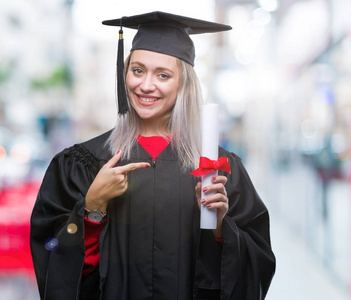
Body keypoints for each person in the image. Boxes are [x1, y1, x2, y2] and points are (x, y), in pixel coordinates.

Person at [30, 11, 275, 300]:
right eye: (137, 70)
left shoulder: (217, 168)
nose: (146, 85)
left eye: (163, 75)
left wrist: (222, 230)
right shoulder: (82, 163)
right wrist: (92, 208)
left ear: (183, 84)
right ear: (125, 75)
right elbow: (50, 253)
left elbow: (257, 262)